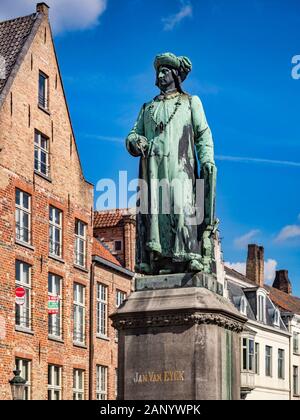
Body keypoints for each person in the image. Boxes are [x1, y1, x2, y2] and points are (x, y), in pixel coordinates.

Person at [126, 52, 217, 275]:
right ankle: (161, 261)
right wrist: (135, 141)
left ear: (175, 75)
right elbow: (132, 135)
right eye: (158, 71)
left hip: (181, 167)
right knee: (156, 213)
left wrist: (206, 160)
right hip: (153, 170)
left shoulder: (190, 102)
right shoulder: (147, 108)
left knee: (183, 206)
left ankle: (187, 256)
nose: (160, 74)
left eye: (165, 70)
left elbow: (203, 134)